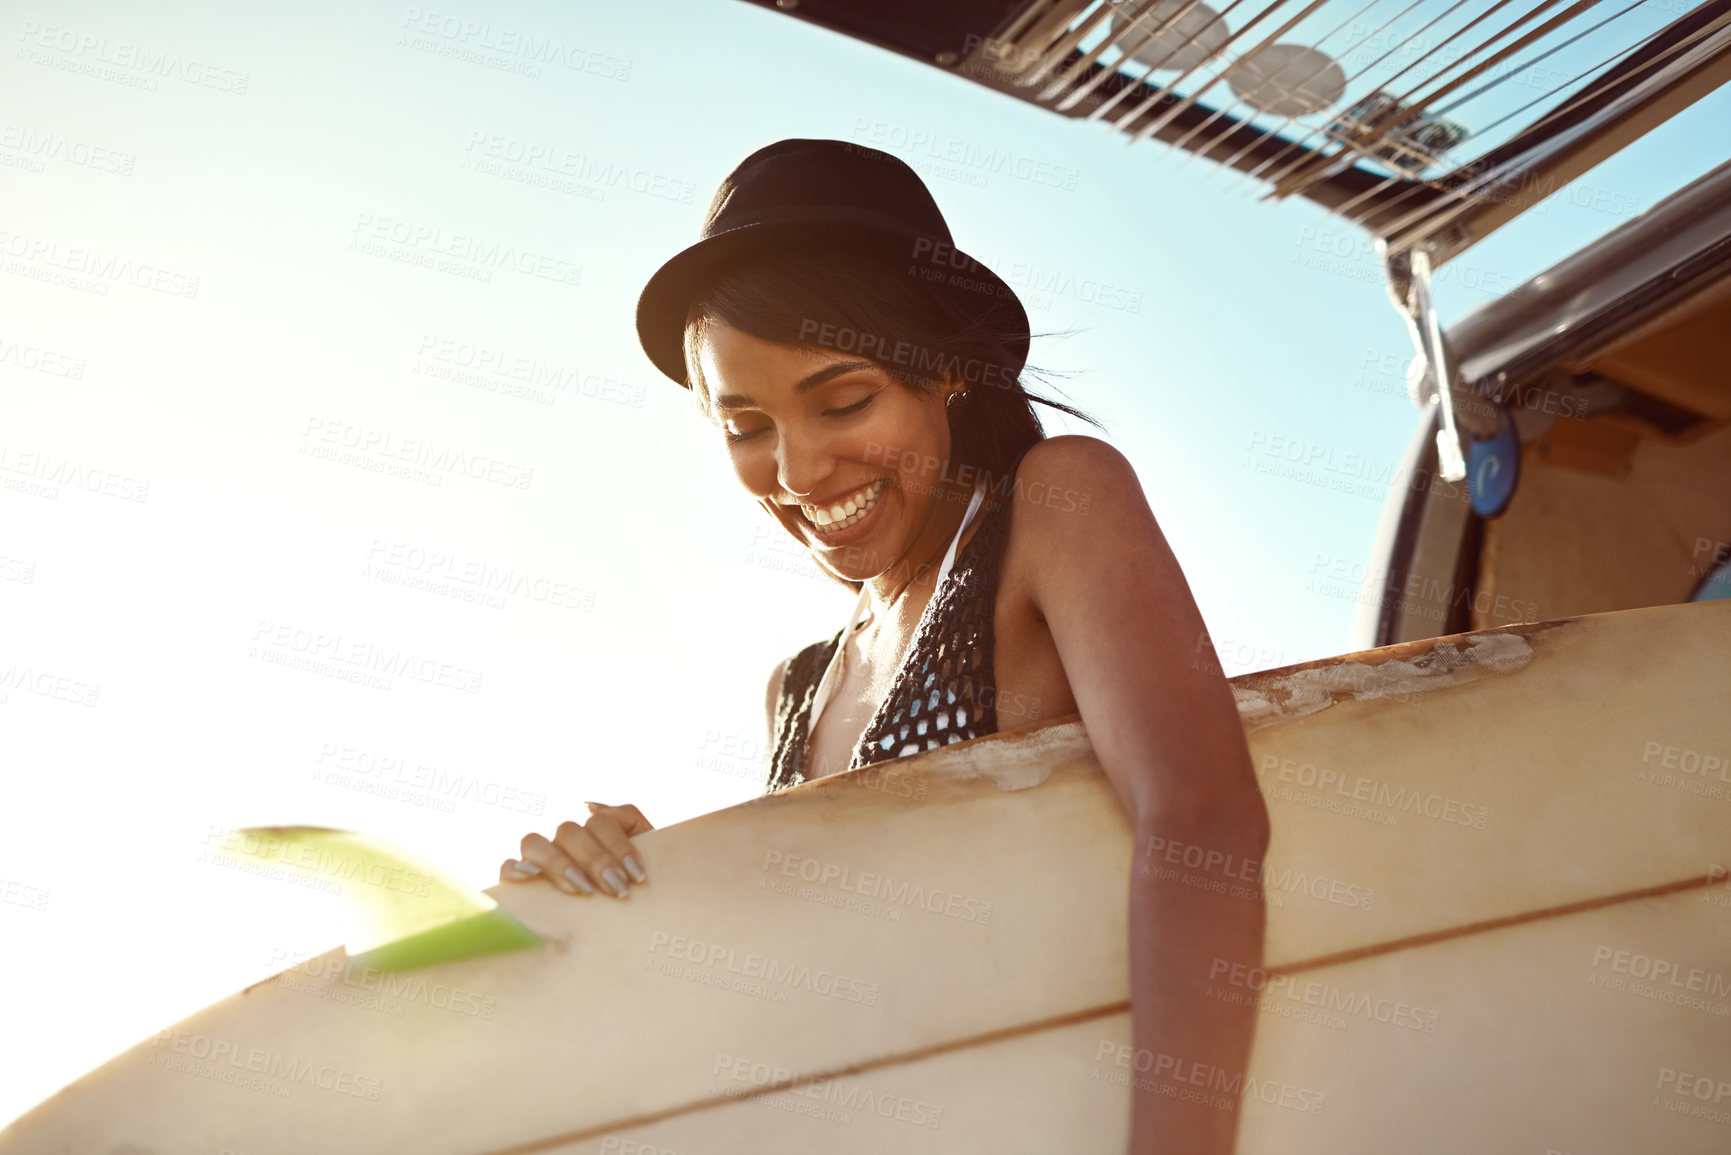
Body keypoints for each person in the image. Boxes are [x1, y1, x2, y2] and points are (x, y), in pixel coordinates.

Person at [498, 138, 1269, 1153]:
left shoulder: (1056, 505)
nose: (800, 468)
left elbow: (1203, 821)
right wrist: (611, 897)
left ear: (946, 369)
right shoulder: (797, 689)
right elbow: (804, 993)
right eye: (745, 427)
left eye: (843, 400)